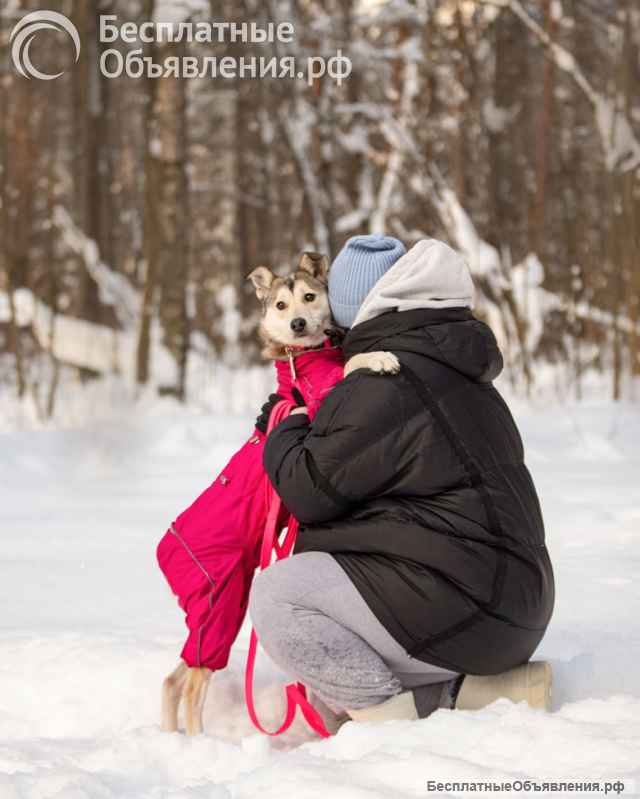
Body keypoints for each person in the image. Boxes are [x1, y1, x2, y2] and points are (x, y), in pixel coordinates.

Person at [248, 235, 555, 729]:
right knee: (329, 632)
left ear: (349, 306)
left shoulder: (384, 380)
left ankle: (386, 725)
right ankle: (476, 691)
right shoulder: (445, 356)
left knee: (281, 597)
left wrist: (284, 427)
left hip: (473, 607)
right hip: (514, 601)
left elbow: (308, 491)